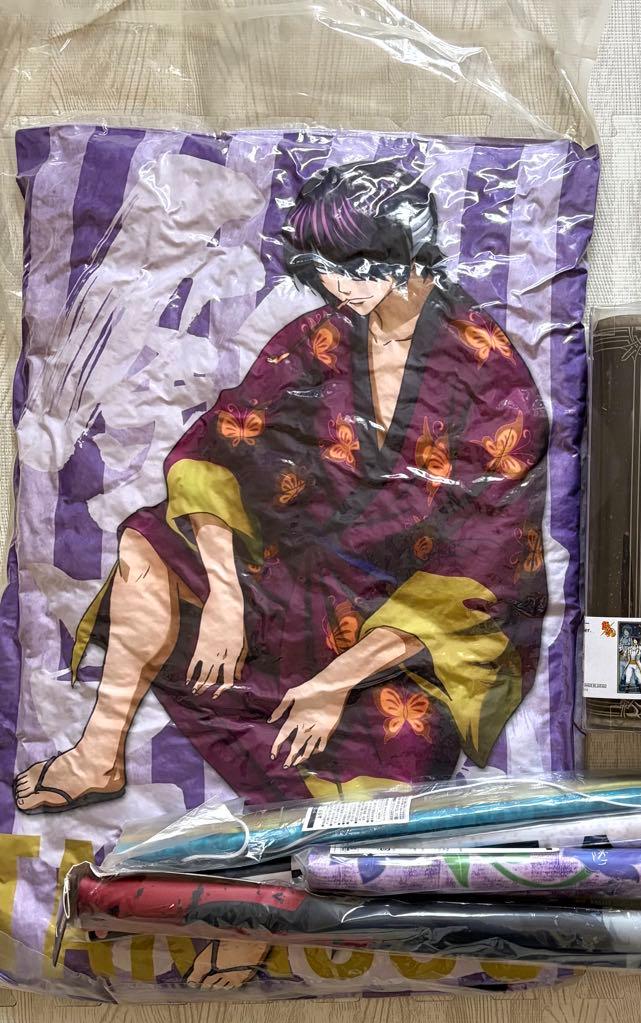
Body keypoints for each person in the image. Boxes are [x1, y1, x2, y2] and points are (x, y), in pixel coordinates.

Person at [14, 160, 550, 816]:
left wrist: (335, 683)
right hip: (289, 578)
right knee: (148, 545)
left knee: (383, 782)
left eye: (355, 265)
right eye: (325, 267)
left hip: (404, 625)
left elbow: (484, 573)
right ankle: (99, 754)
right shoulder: (322, 337)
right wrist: (226, 597)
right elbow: (219, 445)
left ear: (409, 254)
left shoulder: (493, 378)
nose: (337, 285)